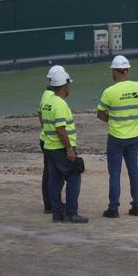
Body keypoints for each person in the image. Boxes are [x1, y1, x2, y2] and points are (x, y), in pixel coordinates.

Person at [96, 54, 138, 218]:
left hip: (116, 138)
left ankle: (113, 208)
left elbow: (100, 113)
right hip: (133, 137)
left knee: (115, 173)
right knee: (134, 171)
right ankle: (137, 206)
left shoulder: (109, 92)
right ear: (127, 71)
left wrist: (112, 119)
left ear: (115, 71)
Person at [39, 65, 87, 224]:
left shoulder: (48, 101)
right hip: (60, 148)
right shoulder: (59, 104)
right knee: (74, 176)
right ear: (65, 85)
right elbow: (61, 129)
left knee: (55, 180)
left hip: (50, 147)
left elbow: (44, 120)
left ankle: (57, 213)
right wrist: (69, 149)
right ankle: (71, 212)